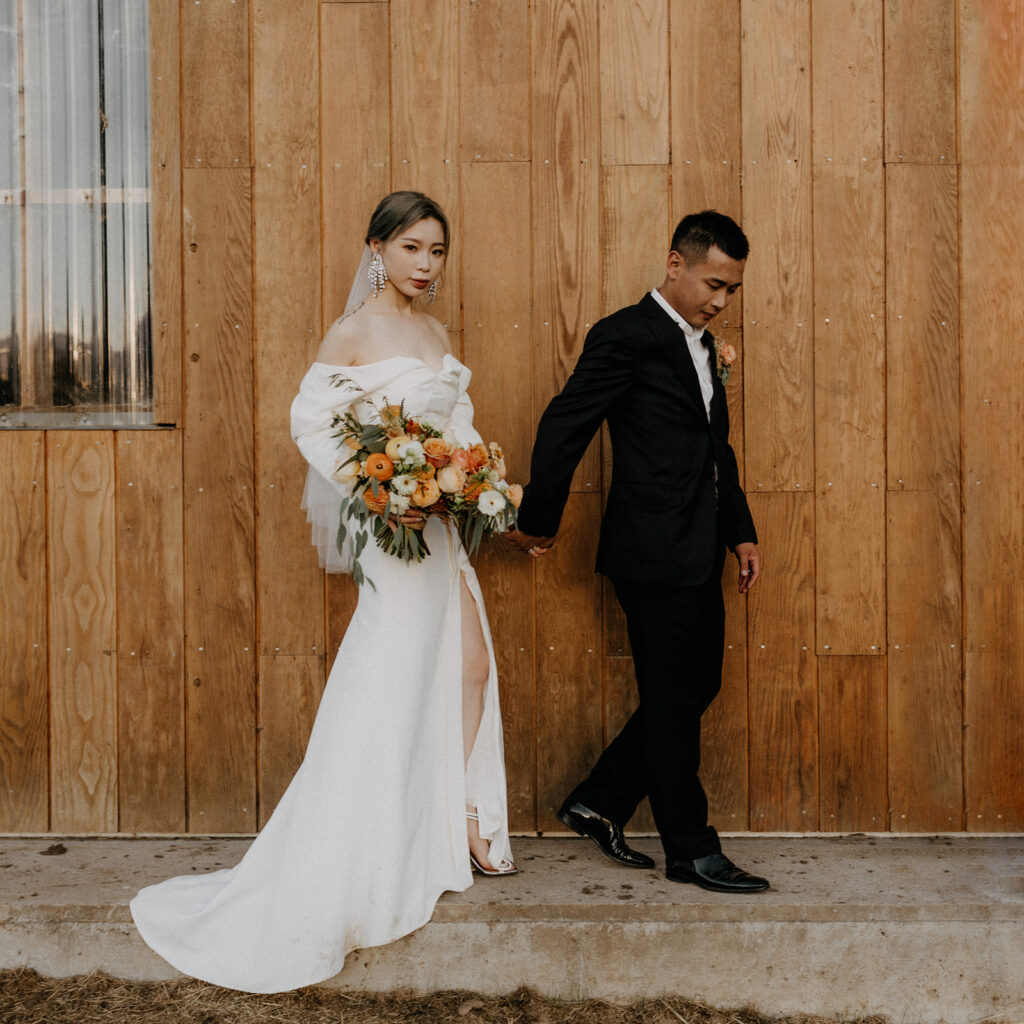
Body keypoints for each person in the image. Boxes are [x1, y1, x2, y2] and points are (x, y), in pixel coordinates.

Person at [131, 191, 515, 994]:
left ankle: (457, 821)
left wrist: (477, 483)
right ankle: (363, 847)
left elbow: (456, 425)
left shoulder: (435, 334)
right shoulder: (352, 333)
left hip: (442, 530)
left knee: (471, 667)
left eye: (437, 251)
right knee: (392, 682)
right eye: (411, 248)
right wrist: (383, 491)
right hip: (395, 532)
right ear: (377, 249)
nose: (426, 264)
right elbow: (314, 425)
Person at [506, 210, 769, 894]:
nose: (721, 300)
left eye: (732, 289)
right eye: (714, 284)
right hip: (649, 549)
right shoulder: (625, 334)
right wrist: (539, 519)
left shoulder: (706, 347)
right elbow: (566, 422)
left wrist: (740, 531)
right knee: (673, 697)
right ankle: (692, 849)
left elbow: (716, 450)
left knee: (694, 686)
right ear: (675, 264)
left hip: (700, 547)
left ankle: (600, 800)